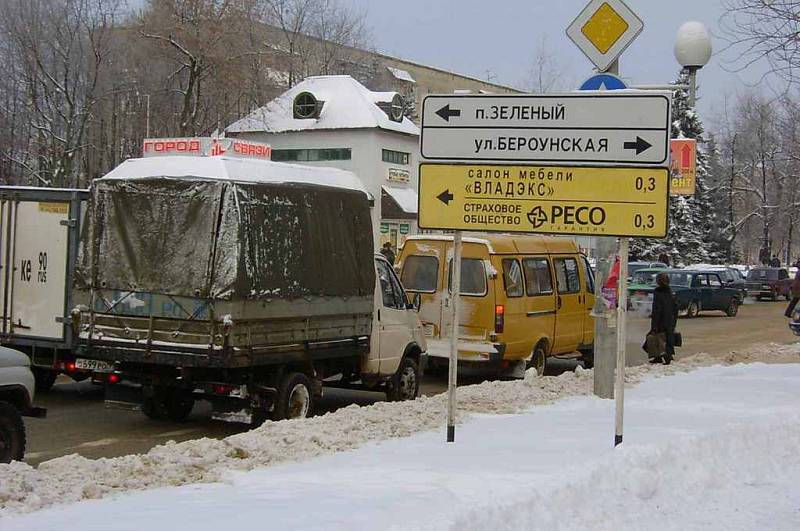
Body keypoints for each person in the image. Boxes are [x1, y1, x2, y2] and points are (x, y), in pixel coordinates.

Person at [647, 272, 678, 365]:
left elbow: (657, 309)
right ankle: (664, 356)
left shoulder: (658, 292)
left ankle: (663, 357)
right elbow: (675, 307)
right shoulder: (670, 292)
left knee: (657, 337)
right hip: (669, 319)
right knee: (667, 337)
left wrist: (654, 324)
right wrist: (674, 319)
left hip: (660, 320)